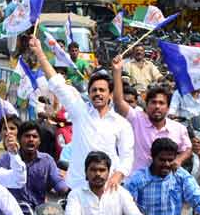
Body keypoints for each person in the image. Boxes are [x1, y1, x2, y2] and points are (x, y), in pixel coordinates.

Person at [31, 36, 133, 191]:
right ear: (89, 93)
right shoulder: (80, 111)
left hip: (109, 188)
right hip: (78, 186)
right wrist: (39, 52)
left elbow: (127, 156)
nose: (98, 93)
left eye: (102, 90)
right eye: (94, 90)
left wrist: (117, 176)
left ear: (110, 95)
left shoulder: (121, 124)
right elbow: (57, 84)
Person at [124, 138, 200, 215]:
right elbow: (127, 206)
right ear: (152, 157)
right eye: (162, 160)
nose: (167, 164)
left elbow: (196, 196)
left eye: (170, 160)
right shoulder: (137, 179)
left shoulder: (181, 176)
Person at [112, 76, 191, 173]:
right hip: (137, 182)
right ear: (146, 105)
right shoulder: (136, 119)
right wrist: (117, 71)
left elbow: (187, 148)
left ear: (168, 107)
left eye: (161, 103)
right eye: (153, 102)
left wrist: (178, 160)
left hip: (166, 182)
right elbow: (118, 102)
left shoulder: (179, 128)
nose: (157, 106)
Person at [0, 121, 68, 210]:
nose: (31, 139)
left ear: (39, 141)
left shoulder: (47, 160)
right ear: (19, 139)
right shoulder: (5, 160)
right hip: (13, 213)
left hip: (40, 214)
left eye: (35, 137)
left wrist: (68, 192)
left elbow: (58, 182)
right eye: (27, 136)